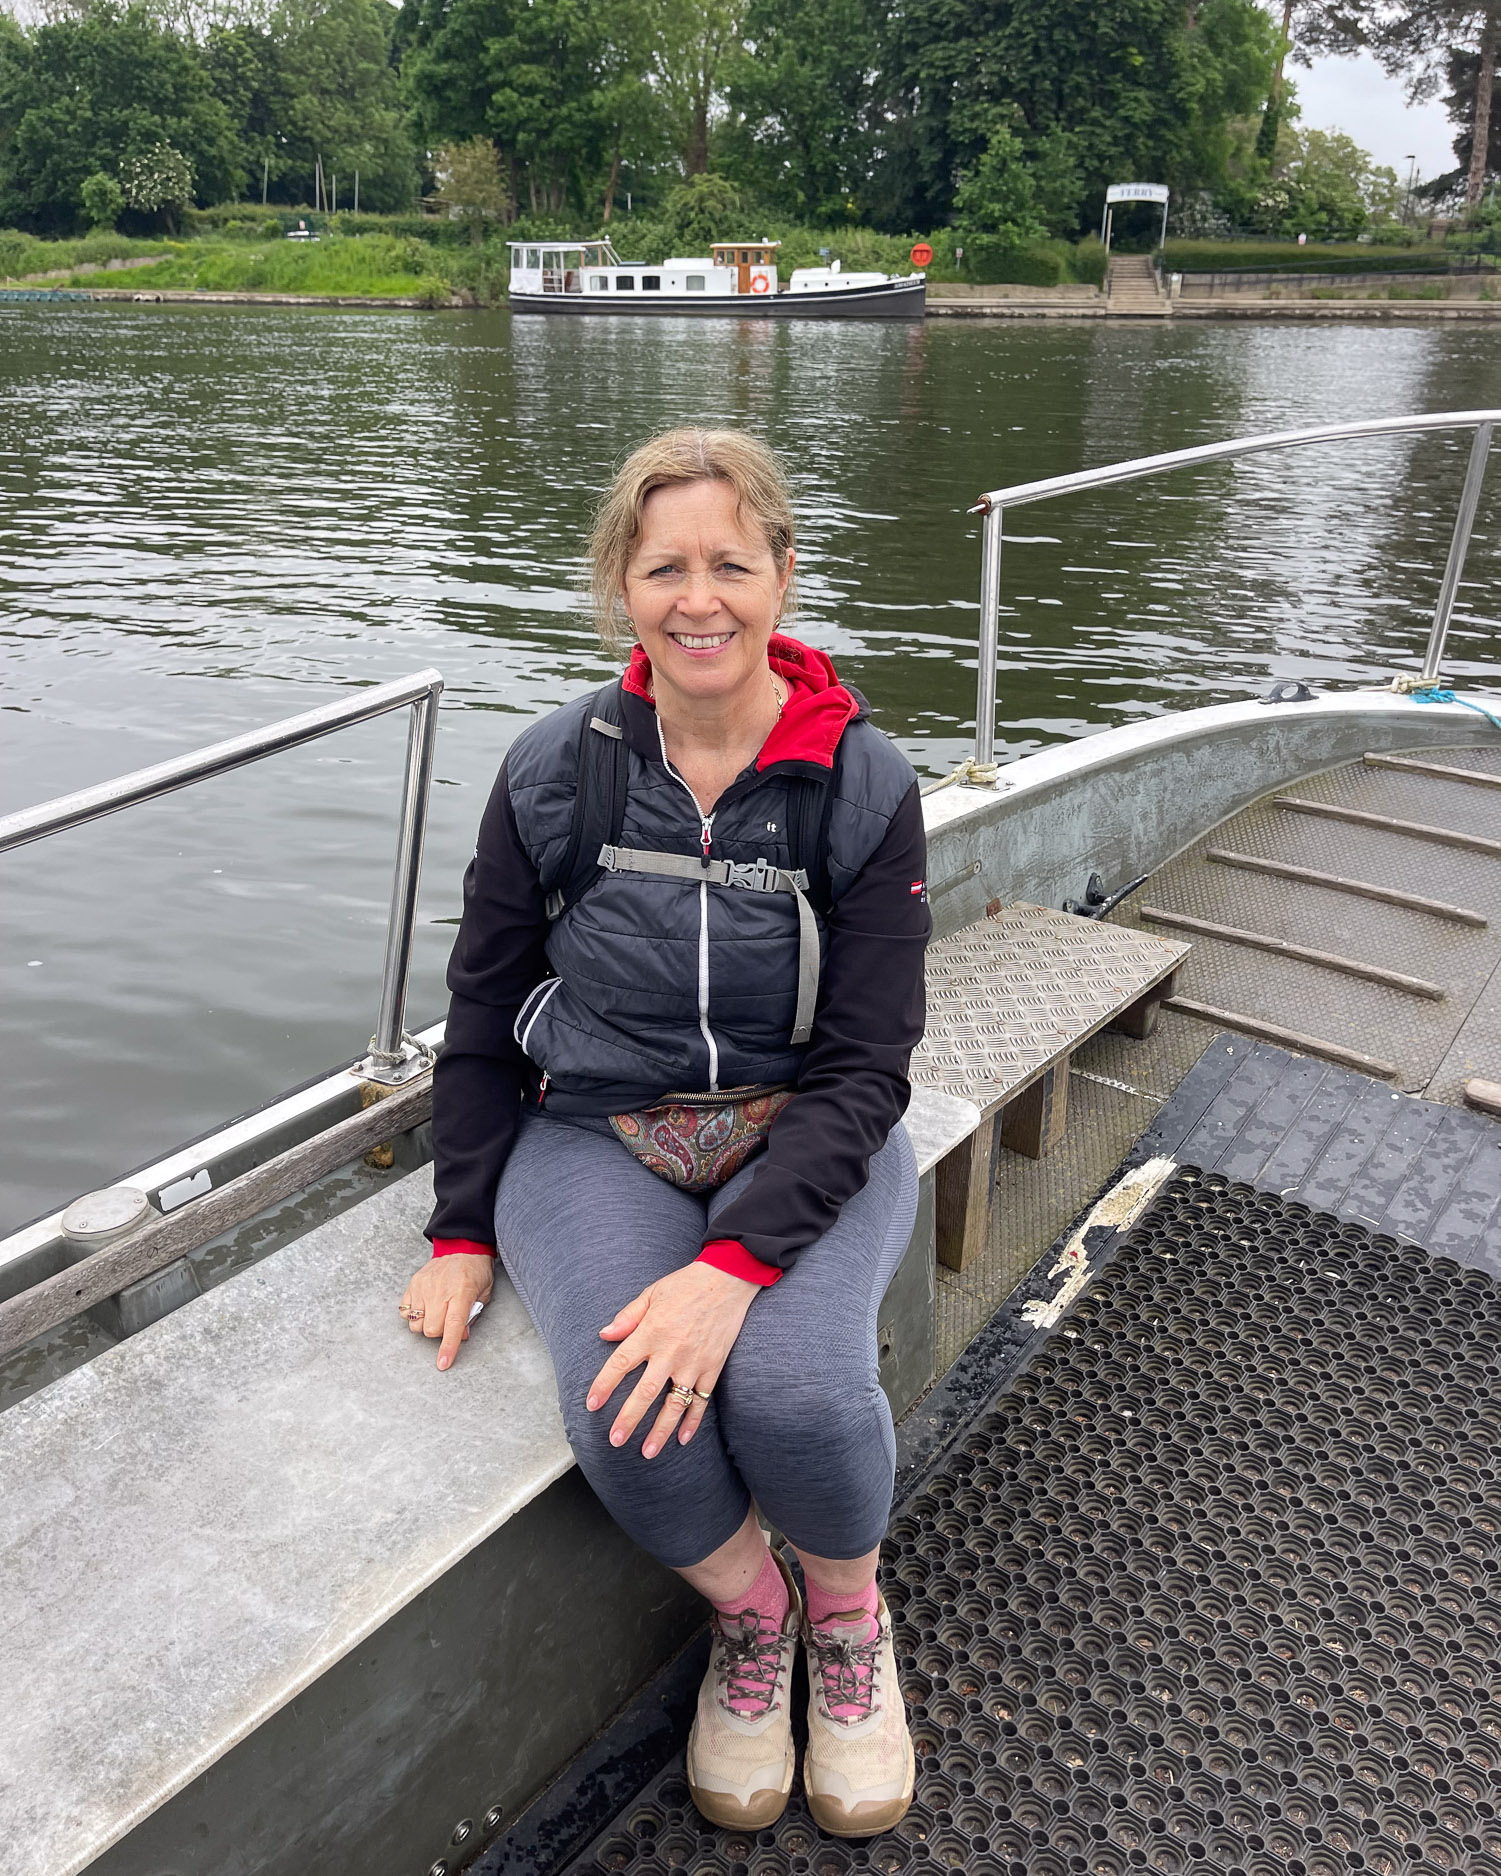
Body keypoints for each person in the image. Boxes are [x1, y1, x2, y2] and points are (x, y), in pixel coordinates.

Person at [398, 428, 930, 1838]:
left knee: (798, 1390)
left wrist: (730, 1270)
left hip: (805, 1124)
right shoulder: (554, 771)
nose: (700, 601)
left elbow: (868, 1065)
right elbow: (482, 1007)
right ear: (619, 588)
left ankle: (849, 1623)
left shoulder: (861, 785)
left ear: (783, 577)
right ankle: (753, 1622)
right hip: (597, 1125)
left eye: (731, 566)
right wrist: (458, 1225)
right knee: (627, 1406)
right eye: (664, 570)